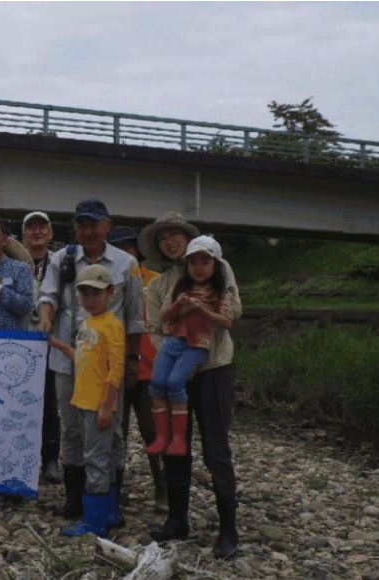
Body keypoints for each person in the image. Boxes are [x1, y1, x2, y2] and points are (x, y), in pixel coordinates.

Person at [138, 212, 242, 560]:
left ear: (189, 239)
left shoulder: (218, 270)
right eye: (163, 236)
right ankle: (177, 519)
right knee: (175, 444)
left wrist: (193, 361)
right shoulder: (158, 284)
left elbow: (232, 315)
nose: (169, 240)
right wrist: (174, 362)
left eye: (175, 234)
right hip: (174, 372)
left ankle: (229, 528)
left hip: (213, 369)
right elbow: (154, 328)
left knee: (216, 448)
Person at [37, 200, 143, 524]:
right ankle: (74, 500)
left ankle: (108, 504)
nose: (89, 230)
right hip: (68, 359)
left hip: (107, 365)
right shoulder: (62, 258)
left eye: (94, 223)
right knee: (71, 429)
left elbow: (135, 318)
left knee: (109, 431)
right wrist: (45, 321)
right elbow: (47, 297)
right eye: (82, 224)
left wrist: (133, 362)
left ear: (107, 225)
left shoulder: (126, 264)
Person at [47, 265, 124, 537]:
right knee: (102, 455)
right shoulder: (87, 323)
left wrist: (107, 405)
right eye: (85, 293)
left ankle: (94, 522)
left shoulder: (112, 325)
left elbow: (116, 368)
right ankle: (110, 511)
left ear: (110, 293)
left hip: (99, 405)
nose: (90, 299)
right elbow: (81, 359)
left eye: (96, 293)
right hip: (83, 400)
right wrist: (56, 344)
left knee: (95, 458)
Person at [147, 236, 234, 458]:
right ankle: (163, 436)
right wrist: (181, 305)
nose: (198, 267)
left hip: (199, 347)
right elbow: (162, 319)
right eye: (193, 262)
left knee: (175, 384)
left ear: (215, 265)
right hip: (172, 341)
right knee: (157, 383)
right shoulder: (174, 285)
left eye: (205, 262)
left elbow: (227, 320)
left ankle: (177, 438)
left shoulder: (221, 289)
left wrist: (201, 309)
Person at [107, 225, 167, 510]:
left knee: (152, 431)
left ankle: (162, 488)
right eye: (117, 248)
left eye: (128, 247)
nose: (124, 253)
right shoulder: (104, 283)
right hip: (114, 370)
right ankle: (114, 488)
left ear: (137, 251)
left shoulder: (156, 281)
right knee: (115, 433)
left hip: (149, 370)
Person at [22, 211, 61, 485]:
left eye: (42, 228)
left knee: (50, 403)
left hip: (51, 342)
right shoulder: (13, 262)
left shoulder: (60, 263)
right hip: (20, 343)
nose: (37, 232)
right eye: (31, 228)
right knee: (17, 404)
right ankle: (19, 457)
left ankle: (50, 460)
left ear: (50, 234)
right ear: (23, 235)